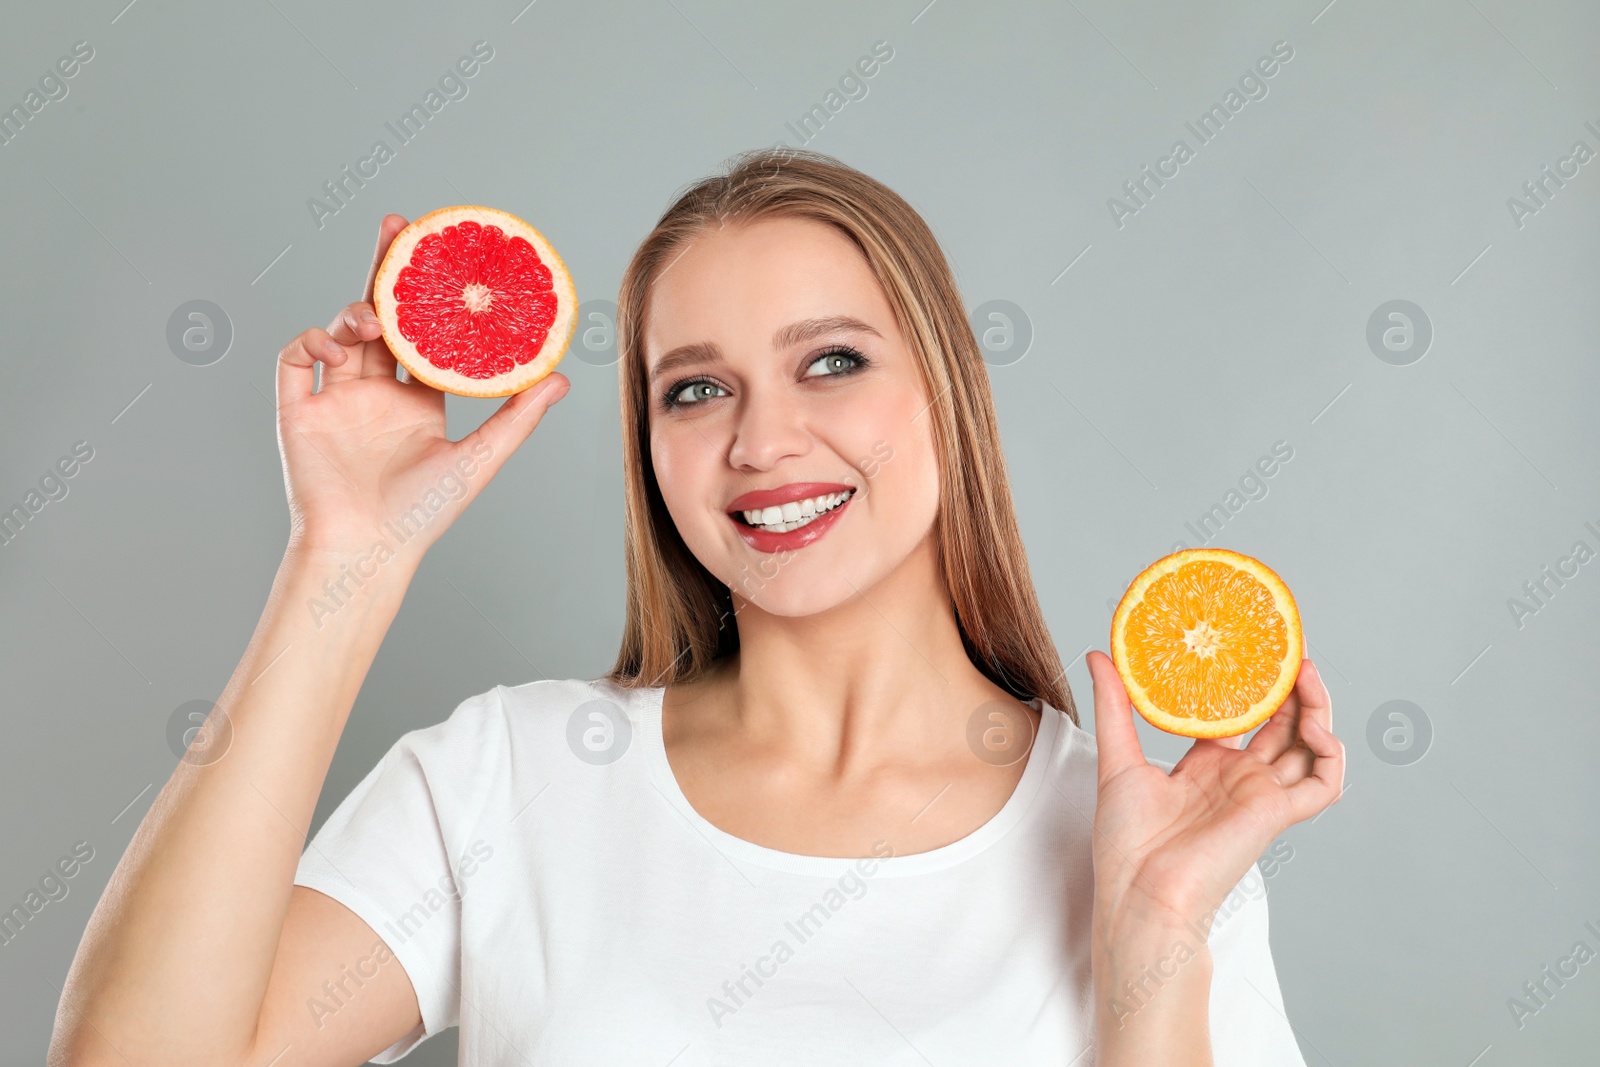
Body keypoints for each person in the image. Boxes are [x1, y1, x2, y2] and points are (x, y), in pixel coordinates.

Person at [50, 147, 1342, 1066]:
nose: (763, 439)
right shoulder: (516, 779)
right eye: (694, 389)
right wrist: (343, 557)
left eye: (830, 361)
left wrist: (1156, 933)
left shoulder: (1144, 842)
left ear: (947, 394)